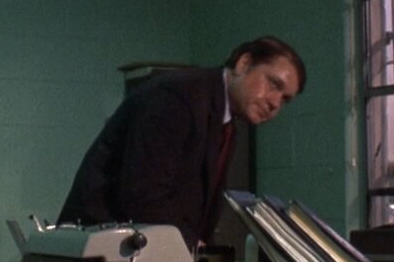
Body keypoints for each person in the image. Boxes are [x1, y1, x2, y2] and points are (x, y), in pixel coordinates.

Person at [58, 36, 306, 248]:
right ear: (244, 63)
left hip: (133, 253)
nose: (275, 103)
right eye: (273, 84)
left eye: (285, 99)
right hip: (99, 254)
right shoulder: (179, 98)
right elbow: (144, 196)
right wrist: (195, 250)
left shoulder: (223, 118)